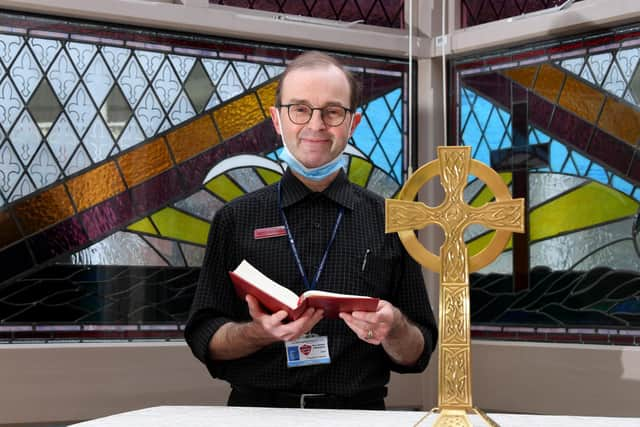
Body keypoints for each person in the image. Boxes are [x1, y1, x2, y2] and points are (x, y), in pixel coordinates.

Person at [185, 51, 438, 410]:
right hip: (258, 414)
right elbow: (202, 337)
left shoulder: (391, 219)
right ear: (277, 120)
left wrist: (394, 326)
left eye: (332, 111)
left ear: (353, 124)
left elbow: (419, 352)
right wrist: (258, 333)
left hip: (358, 415)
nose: (316, 125)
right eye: (300, 109)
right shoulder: (235, 218)